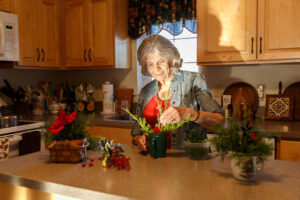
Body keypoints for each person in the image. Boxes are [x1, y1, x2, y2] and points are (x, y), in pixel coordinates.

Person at [132, 34, 224, 151]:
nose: (156, 68)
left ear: (171, 59)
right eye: (150, 64)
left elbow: (219, 123)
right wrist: (140, 139)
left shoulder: (193, 81)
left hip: (188, 161)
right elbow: (135, 134)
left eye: (161, 61)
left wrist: (188, 113)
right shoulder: (146, 91)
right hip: (154, 161)